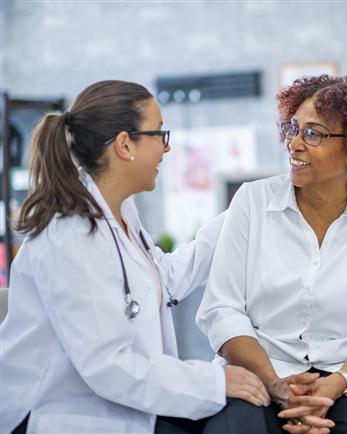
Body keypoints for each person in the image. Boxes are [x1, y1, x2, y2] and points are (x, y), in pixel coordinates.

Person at [0, 80, 270, 434]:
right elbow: (109, 366)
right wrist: (215, 381)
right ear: (125, 144)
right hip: (58, 413)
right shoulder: (69, 236)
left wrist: (243, 213)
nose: (166, 147)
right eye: (159, 133)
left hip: (116, 400)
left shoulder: (121, 211)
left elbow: (164, 279)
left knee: (241, 416)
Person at [197, 75, 347, 434]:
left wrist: (335, 385)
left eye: (313, 133)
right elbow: (223, 310)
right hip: (264, 367)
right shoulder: (252, 201)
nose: (293, 143)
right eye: (294, 128)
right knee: (235, 428)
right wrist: (275, 384)